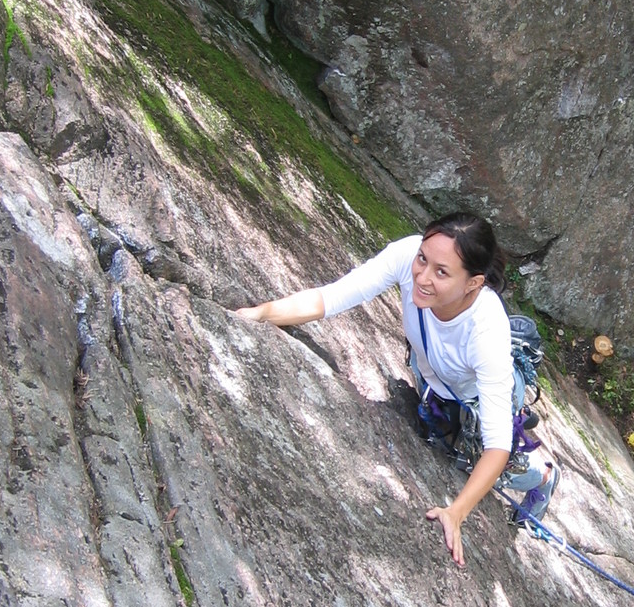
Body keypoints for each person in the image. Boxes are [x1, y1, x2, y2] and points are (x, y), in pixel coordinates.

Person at [234, 213, 556, 568]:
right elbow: (331, 298)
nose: (423, 276)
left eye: (442, 272)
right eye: (423, 259)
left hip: (476, 396)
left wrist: (456, 512)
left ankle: (541, 476)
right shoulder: (407, 256)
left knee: (472, 461)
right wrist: (259, 314)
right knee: (438, 431)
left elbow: (496, 445)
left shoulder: (486, 329)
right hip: (435, 371)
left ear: (473, 283)